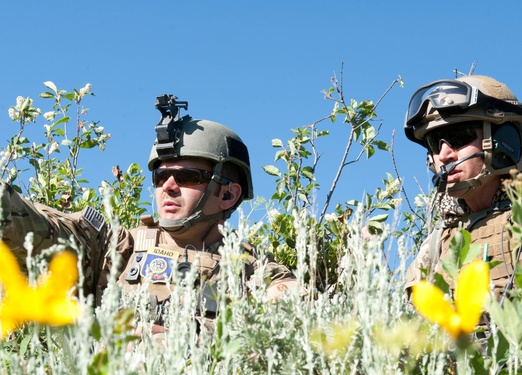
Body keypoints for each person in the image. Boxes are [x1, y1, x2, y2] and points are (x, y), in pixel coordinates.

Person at [0, 94, 299, 326]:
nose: (167, 186)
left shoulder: (255, 271)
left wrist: (194, 338)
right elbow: (40, 228)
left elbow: (294, 327)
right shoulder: (114, 249)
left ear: (227, 194)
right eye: (159, 177)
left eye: (187, 177)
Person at [402, 74, 522, 301]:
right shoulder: (439, 242)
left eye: (458, 137)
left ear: (503, 139)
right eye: (434, 143)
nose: (444, 155)